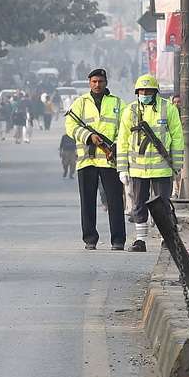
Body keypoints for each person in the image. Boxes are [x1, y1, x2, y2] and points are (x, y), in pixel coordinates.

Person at [117, 74, 183, 253]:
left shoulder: (168, 108)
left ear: (155, 92)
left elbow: (177, 137)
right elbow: (122, 140)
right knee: (138, 205)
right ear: (137, 92)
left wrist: (177, 164)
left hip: (162, 168)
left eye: (148, 91)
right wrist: (122, 168)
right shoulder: (130, 111)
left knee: (163, 205)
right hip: (138, 169)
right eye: (141, 91)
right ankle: (140, 240)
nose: (144, 93)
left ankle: (166, 239)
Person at [66, 68, 126, 251]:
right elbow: (70, 126)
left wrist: (115, 146)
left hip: (110, 160)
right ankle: (90, 239)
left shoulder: (118, 103)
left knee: (115, 201)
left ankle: (118, 240)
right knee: (87, 201)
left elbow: (126, 128)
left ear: (106, 82)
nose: (97, 85)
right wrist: (88, 136)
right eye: (94, 82)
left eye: (100, 81)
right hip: (87, 161)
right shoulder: (80, 103)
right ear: (89, 83)